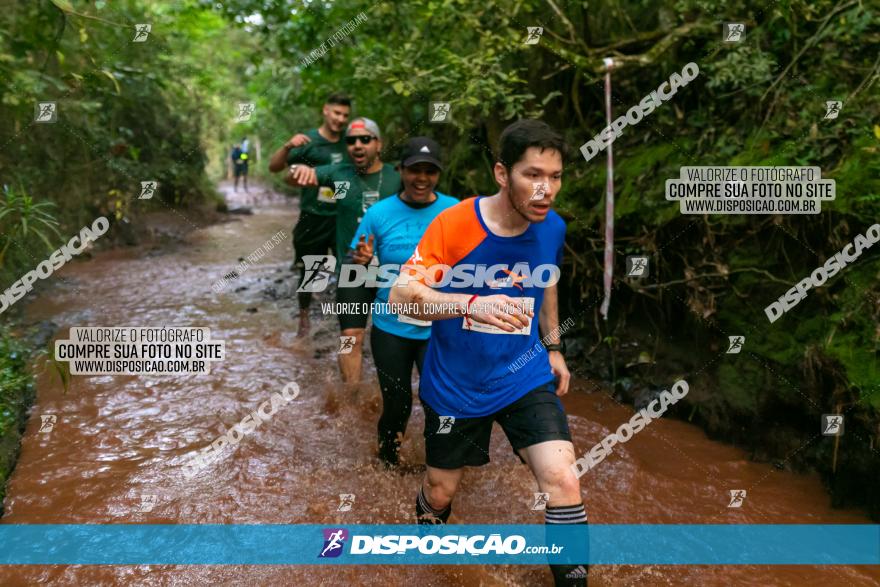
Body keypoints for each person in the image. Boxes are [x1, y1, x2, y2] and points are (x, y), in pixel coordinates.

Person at [389, 120, 586, 586]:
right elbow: (402, 294)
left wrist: (553, 346)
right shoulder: (455, 223)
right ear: (502, 173)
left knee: (564, 482)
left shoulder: (552, 227)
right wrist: (473, 303)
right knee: (440, 492)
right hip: (456, 383)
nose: (546, 190)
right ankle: (427, 556)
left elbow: (547, 280)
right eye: (533, 175)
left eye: (555, 177)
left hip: (524, 374)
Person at [349, 137, 457, 467]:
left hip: (439, 327)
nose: (421, 178)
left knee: (440, 402)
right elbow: (358, 263)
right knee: (397, 404)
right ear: (400, 171)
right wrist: (364, 261)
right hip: (390, 326)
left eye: (429, 171)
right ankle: (388, 466)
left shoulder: (455, 210)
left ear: (439, 174)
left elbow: (474, 255)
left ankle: (438, 469)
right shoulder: (379, 213)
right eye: (414, 170)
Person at [287, 117, 400, 386]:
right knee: (351, 335)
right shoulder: (338, 174)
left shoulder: (397, 178)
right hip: (351, 270)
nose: (357, 145)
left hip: (391, 269)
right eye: (351, 141)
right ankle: (351, 399)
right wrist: (297, 171)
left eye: (365, 139)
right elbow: (296, 177)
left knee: (396, 340)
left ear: (378, 144)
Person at [269, 92, 351, 336]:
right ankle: (304, 320)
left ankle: (351, 325)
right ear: (325, 110)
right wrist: (287, 146)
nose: (340, 119)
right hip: (313, 216)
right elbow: (274, 168)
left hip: (343, 216)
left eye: (345, 115)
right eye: (337, 113)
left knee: (349, 269)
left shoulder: (351, 141)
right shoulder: (308, 142)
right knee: (310, 270)